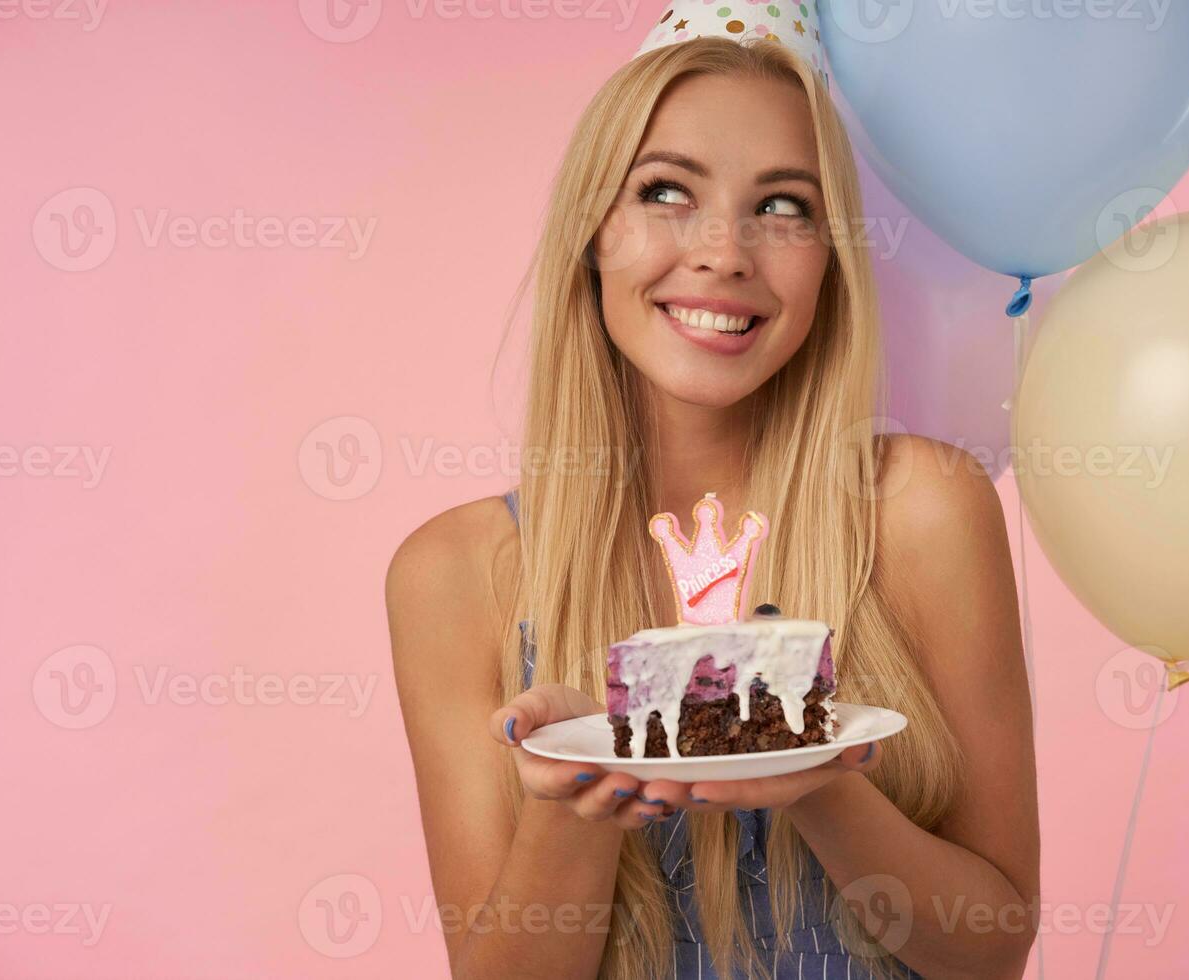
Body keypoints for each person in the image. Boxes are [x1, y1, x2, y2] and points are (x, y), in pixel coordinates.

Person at [387, 35, 1039, 980]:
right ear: (592, 231)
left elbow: (990, 954)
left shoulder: (923, 510)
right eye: (664, 191)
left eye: (782, 207)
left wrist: (816, 783)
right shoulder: (453, 573)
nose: (724, 253)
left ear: (832, 261)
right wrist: (575, 803)